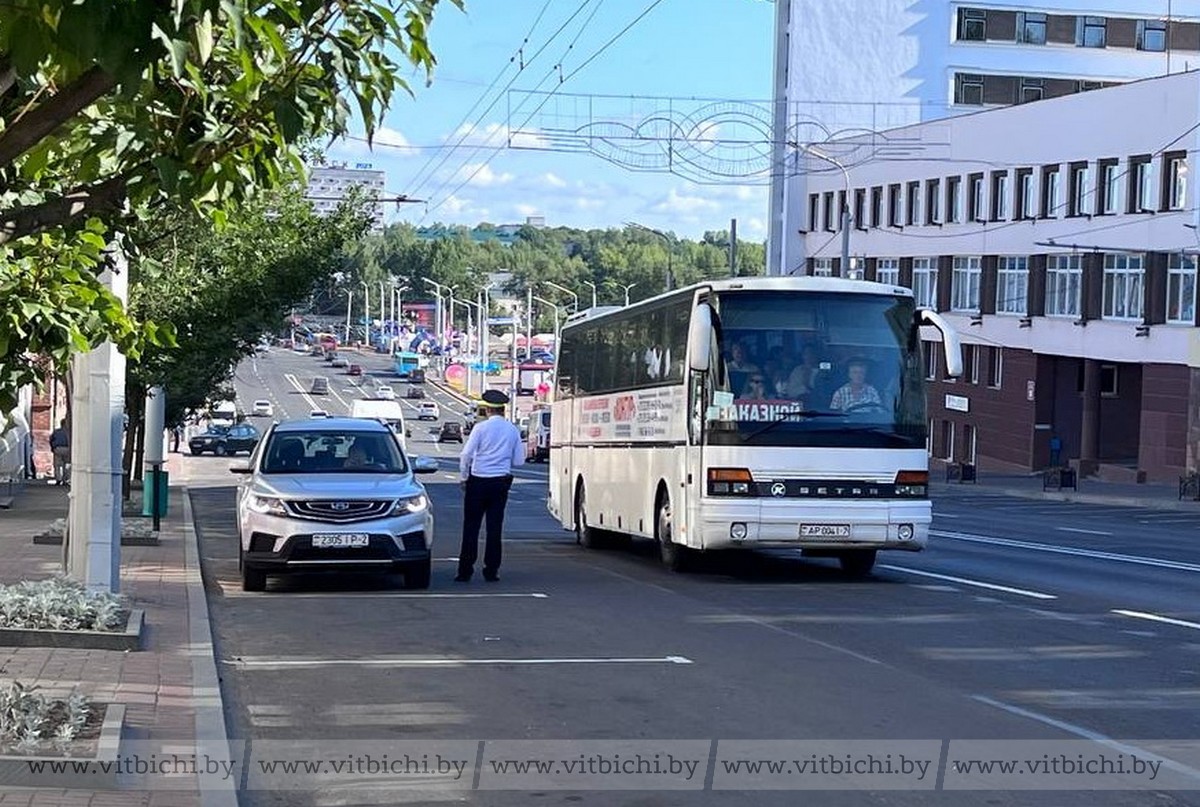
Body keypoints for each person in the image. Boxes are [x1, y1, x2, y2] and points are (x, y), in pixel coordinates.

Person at [456, 390, 524, 582]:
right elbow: (519, 460)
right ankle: (491, 570)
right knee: (494, 528)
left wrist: (463, 477)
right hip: (500, 483)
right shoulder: (512, 430)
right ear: (503, 409)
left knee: (471, 527)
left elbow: (466, 455)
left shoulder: (480, 428)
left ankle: (465, 571)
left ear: (486, 409)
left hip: (477, 482)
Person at [49, 419, 70, 485]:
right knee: (66, 465)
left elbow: (51, 440)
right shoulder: (68, 432)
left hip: (57, 448)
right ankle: (65, 480)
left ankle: (58, 479)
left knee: (57, 465)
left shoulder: (56, 431)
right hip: (67, 448)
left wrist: (52, 448)